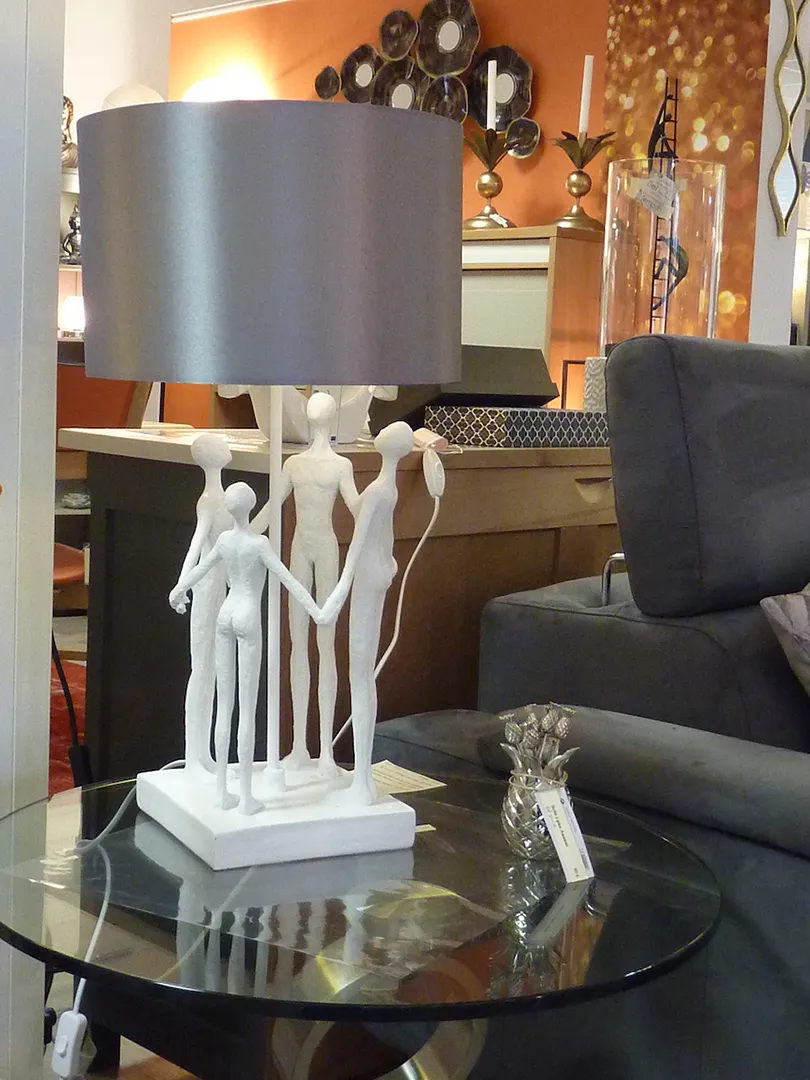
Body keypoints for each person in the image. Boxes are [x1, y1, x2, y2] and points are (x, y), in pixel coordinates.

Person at [170, 482, 325, 814]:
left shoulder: (225, 541)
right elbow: (289, 580)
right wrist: (317, 611)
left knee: (224, 706)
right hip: (247, 615)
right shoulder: (259, 544)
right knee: (246, 708)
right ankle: (245, 797)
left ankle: (221, 790)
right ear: (251, 506)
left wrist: (179, 589)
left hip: (225, 614)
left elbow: (200, 568)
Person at [252, 392, 359, 778]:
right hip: (304, 548)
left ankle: (324, 750)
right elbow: (273, 506)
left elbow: (357, 509)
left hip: (321, 549)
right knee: (305, 644)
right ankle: (301, 746)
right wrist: (242, 536)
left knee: (320, 644)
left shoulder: (335, 465)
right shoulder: (297, 464)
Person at [319, 421, 415, 806]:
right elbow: (371, 522)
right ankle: (362, 776)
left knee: (359, 674)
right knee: (362, 673)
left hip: (365, 576)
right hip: (379, 573)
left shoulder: (377, 490)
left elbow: (357, 544)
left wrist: (337, 594)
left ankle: (362, 777)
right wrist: (390, 564)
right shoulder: (384, 488)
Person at [172, 433, 233, 778]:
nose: (227, 446)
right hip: (207, 588)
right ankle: (193, 754)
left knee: (213, 669)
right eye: (220, 444)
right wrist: (182, 585)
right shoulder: (209, 501)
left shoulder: (223, 498)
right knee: (202, 669)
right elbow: (197, 545)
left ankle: (204, 752)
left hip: (220, 588)